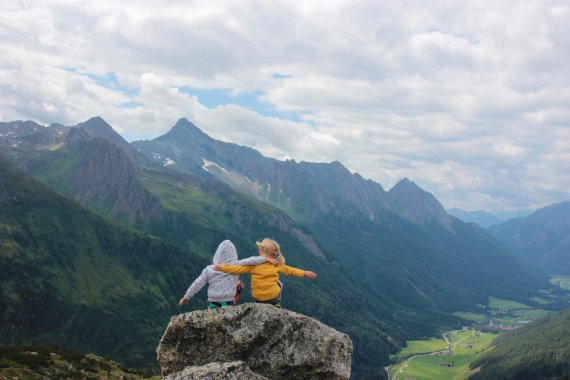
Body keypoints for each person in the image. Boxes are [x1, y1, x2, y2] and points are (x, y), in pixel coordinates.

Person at [213, 238, 317, 308]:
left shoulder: (254, 264)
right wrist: (304, 273)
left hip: (258, 297)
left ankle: (260, 305)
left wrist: (221, 267)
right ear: (273, 255)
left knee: (259, 286)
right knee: (280, 283)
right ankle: (276, 304)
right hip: (272, 297)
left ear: (261, 251)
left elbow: (236, 269)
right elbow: (290, 270)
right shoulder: (276, 265)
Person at [178, 240, 278, 309]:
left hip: (213, 301)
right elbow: (252, 260)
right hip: (228, 300)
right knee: (239, 284)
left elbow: (197, 284)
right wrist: (267, 259)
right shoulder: (235, 265)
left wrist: (186, 297)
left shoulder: (209, 269)